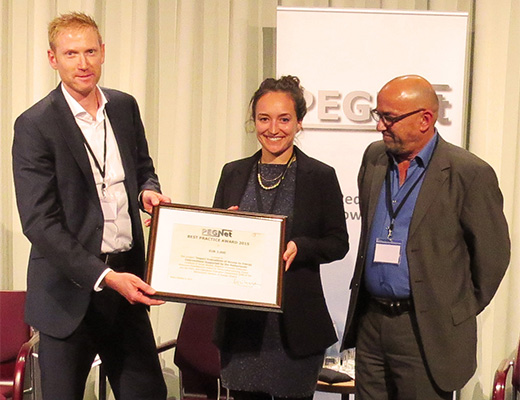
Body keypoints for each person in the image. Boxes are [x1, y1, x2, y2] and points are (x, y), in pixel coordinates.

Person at [12, 12, 169, 400]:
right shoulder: (35, 124)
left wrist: (147, 193)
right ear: (53, 59)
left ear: (103, 53)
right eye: (70, 54)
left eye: (89, 51)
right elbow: (39, 222)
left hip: (127, 284)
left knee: (148, 393)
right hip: (67, 294)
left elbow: (143, 169)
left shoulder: (124, 107)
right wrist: (104, 277)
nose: (82, 63)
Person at [341, 75, 511, 400]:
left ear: (425, 119)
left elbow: (493, 256)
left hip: (425, 330)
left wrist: (453, 310)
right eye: (379, 116)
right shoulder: (374, 159)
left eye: (389, 117)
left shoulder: (469, 173)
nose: (380, 126)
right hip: (372, 323)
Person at [212, 75, 349, 400]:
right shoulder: (233, 172)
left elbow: (338, 242)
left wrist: (301, 247)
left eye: (284, 119)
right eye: (264, 118)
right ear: (254, 121)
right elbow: (214, 237)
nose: (273, 128)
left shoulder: (320, 176)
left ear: (299, 122)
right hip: (242, 330)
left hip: (295, 330)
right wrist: (225, 228)